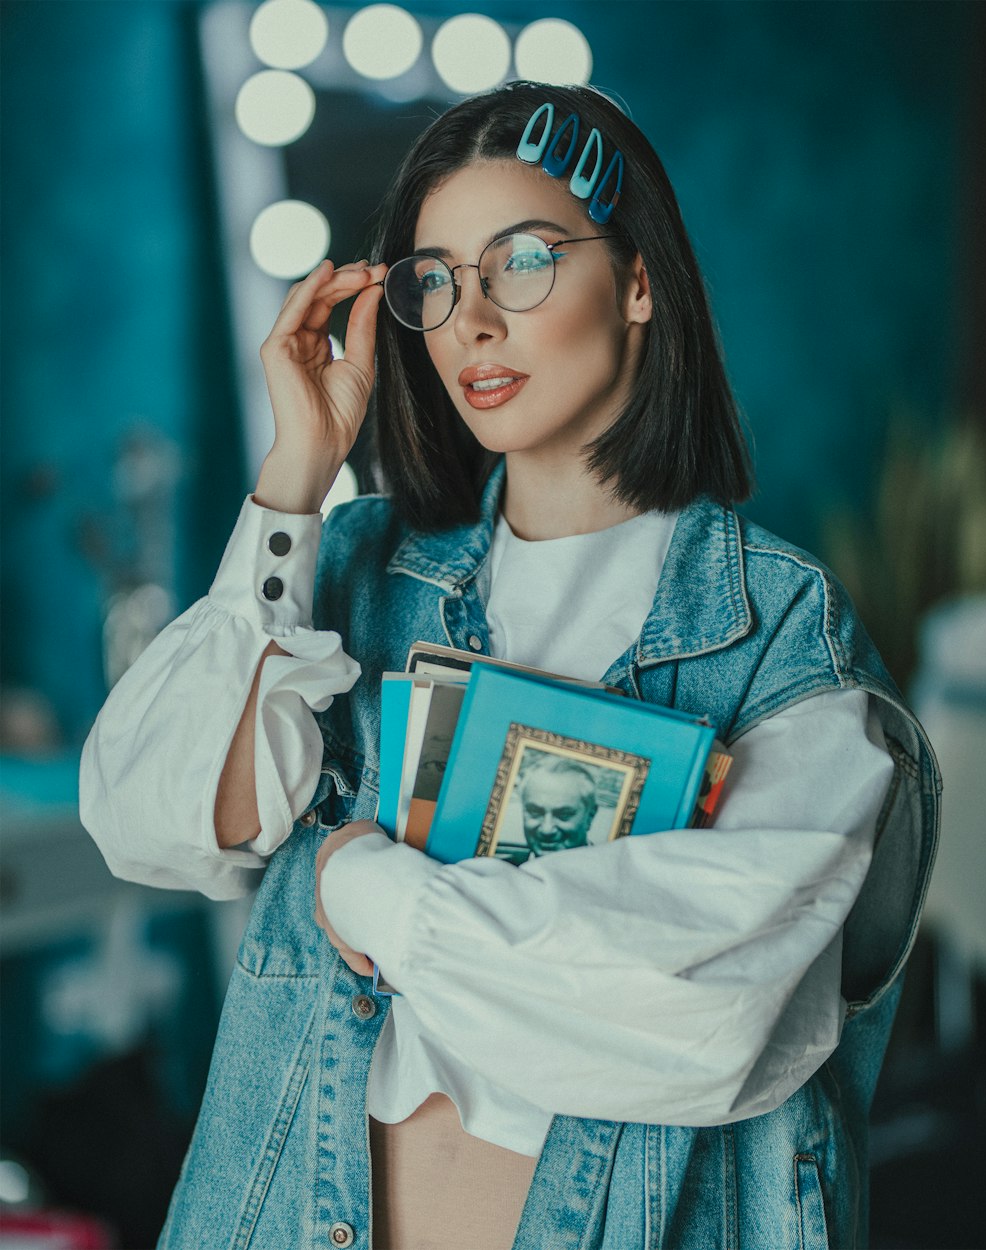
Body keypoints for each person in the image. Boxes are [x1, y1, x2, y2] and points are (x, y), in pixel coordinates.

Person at [80, 81, 940, 1250]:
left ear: (638, 282)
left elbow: (694, 1014)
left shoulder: (780, 637)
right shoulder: (355, 568)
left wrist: (358, 884)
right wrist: (295, 476)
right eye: (436, 278)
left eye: (522, 262)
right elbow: (165, 817)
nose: (471, 321)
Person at [519, 758, 598, 856]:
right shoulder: (505, 866)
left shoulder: (608, 869)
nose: (546, 830)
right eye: (535, 812)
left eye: (563, 814)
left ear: (590, 816)